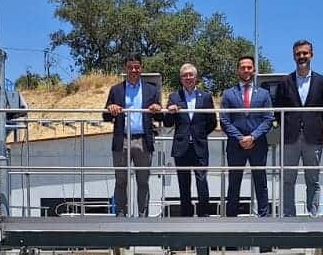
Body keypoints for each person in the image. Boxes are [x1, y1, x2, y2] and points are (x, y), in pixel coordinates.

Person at [269, 39, 323, 215]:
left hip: (313, 137)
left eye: (305, 53)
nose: (301, 56)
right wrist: (289, 126)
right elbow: (277, 110)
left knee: (313, 180)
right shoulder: (285, 81)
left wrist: (312, 124)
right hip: (290, 138)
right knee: (288, 180)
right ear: (293, 56)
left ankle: (313, 216)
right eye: (298, 54)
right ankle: (289, 216)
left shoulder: (322, 81)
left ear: (311, 55)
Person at [104, 56, 162, 216]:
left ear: (141, 68)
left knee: (143, 181)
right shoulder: (116, 89)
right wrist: (111, 108)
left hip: (143, 140)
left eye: (137, 67)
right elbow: (105, 116)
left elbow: (160, 117)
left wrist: (158, 109)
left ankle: (143, 217)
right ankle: (121, 216)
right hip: (121, 140)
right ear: (126, 69)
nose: (134, 70)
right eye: (130, 67)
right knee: (120, 181)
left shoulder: (151, 90)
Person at [219, 55, 273, 217]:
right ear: (238, 70)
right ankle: (231, 219)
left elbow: (268, 119)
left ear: (254, 70)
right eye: (243, 67)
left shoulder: (264, 94)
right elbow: (224, 120)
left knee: (261, 182)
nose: (246, 70)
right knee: (234, 183)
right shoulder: (228, 94)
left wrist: (253, 137)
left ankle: (264, 218)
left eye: (249, 67)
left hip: (258, 144)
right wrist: (240, 138)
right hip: (236, 145)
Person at [164, 62, 216, 217]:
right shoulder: (174, 97)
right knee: (183, 182)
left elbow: (212, 122)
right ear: (181, 79)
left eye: (190, 75)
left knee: (202, 180)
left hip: (199, 145)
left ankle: (204, 215)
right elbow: (167, 123)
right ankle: (186, 215)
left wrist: (199, 134)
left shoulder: (206, 97)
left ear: (196, 77)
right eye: (185, 75)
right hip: (182, 146)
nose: (188, 78)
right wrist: (170, 112)